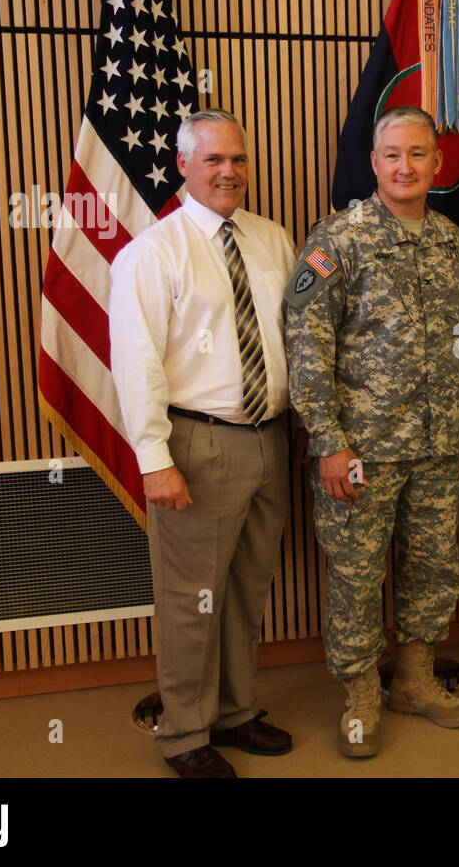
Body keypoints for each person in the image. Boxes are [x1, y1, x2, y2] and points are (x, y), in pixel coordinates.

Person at [283, 106, 459, 758]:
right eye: (392, 154)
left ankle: (415, 679)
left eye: (418, 153)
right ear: (373, 162)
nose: (405, 166)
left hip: (437, 447)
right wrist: (329, 442)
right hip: (359, 450)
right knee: (358, 575)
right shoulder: (337, 239)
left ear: (436, 163)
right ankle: (361, 691)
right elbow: (306, 343)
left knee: (432, 566)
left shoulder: (452, 242)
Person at [109, 108, 296, 778]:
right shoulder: (151, 254)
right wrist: (155, 461)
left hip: (270, 440)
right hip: (198, 444)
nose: (229, 171)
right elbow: (136, 364)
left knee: (247, 588)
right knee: (194, 600)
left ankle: (236, 711)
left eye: (238, 159)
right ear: (183, 165)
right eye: (213, 160)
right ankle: (184, 731)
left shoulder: (274, 240)